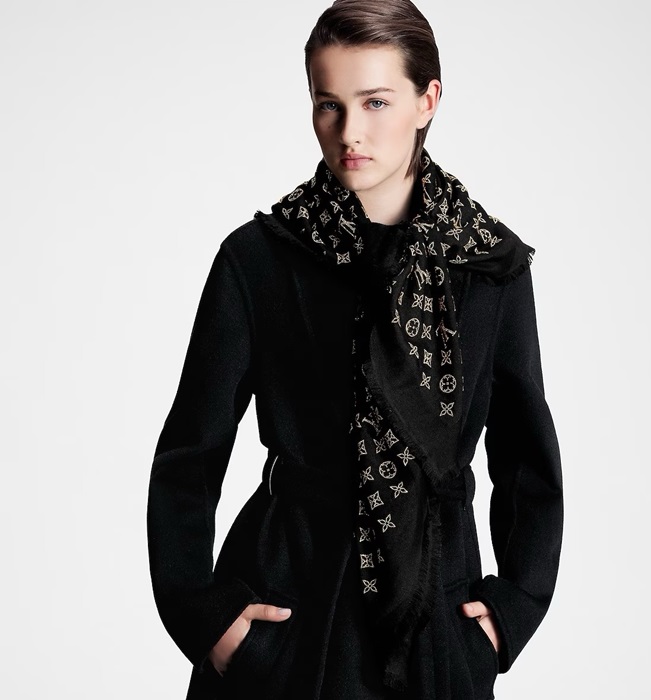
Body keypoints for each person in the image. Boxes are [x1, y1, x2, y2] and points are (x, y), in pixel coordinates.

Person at [146, 1, 564, 698]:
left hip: (438, 622)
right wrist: (209, 619)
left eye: (375, 101)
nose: (350, 132)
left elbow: (527, 459)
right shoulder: (259, 259)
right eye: (328, 105)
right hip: (289, 611)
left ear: (427, 101)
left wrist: (509, 614)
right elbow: (190, 454)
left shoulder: (489, 266)